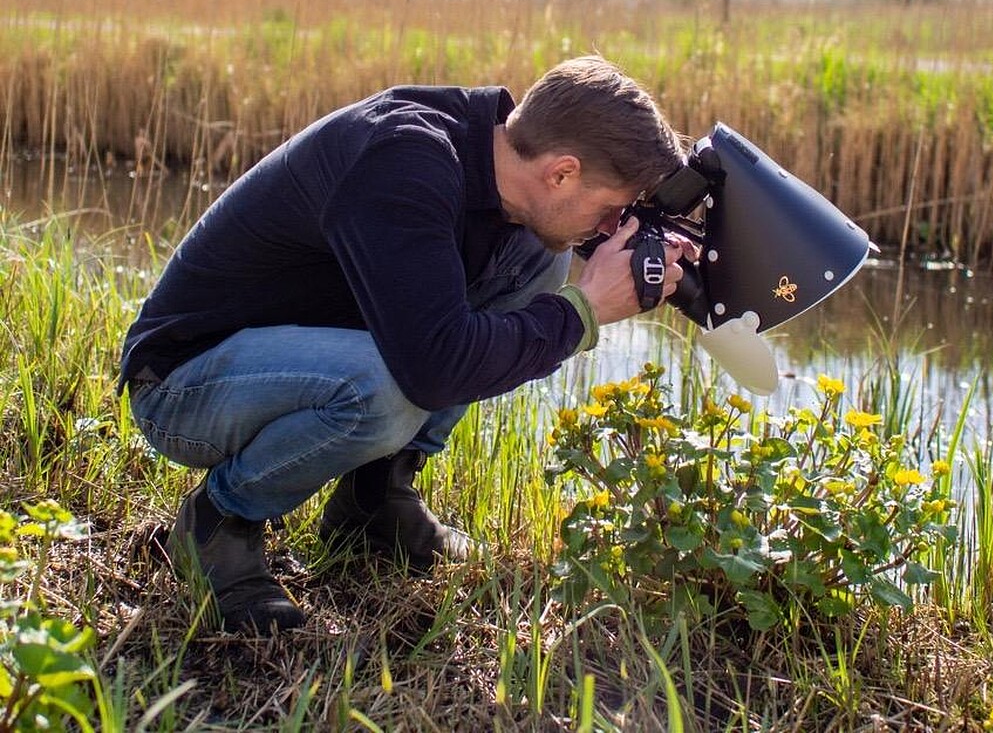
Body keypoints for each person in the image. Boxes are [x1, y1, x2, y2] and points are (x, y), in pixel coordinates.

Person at [119, 55, 690, 634]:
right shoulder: (400, 161)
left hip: (285, 359)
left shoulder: (487, 158)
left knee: (539, 262)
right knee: (385, 389)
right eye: (612, 210)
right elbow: (434, 369)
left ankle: (374, 503)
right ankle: (218, 520)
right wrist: (583, 312)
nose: (611, 227)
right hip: (183, 384)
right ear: (562, 172)